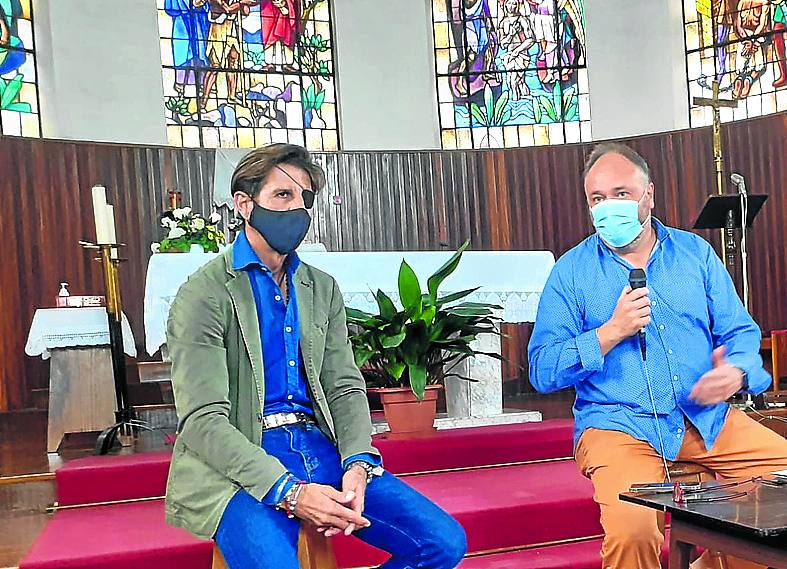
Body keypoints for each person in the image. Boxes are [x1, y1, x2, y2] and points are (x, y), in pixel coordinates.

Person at [165, 143, 467, 568]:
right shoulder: (204, 293)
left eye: (304, 198)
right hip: (241, 459)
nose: (297, 209)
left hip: (317, 444)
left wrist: (358, 463)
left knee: (442, 542)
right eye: (282, 195)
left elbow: (344, 386)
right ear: (244, 204)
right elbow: (203, 421)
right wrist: (290, 491)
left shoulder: (320, 287)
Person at [528, 142, 787, 569]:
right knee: (633, 531)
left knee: (781, 488)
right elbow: (542, 368)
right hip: (619, 424)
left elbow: (740, 330)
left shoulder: (695, 254)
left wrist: (737, 370)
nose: (608, 207)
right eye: (597, 198)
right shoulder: (570, 272)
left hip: (704, 417)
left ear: (648, 194)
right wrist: (609, 333)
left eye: (621, 194)